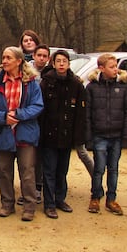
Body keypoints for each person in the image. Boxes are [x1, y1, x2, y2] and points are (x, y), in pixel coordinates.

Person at [0, 46, 43, 221]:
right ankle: (7, 204)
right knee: (4, 172)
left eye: (9, 58)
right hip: (3, 133)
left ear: (19, 61)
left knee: (27, 172)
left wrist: (18, 115)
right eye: (3, 57)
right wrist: (3, 117)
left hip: (25, 133)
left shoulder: (31, 83)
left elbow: (37, 106)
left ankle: (29, 207)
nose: (5, 61)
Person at [39, 50, 86, 219]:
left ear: (68, 63)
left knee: (62, 170)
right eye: (58, 61)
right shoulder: (46, 83)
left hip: (66, 135)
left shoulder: (76, 84)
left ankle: (60, 199)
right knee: (49, 171)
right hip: (49, 135)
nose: (61, 64)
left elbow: (80, 113)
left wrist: (78, 136)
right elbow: (40, 111)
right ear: (53, 63)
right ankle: (49, 204)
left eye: (64, 61)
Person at [85, 53, 127, 216]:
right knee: (99, 168)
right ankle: (95, 196)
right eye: (111, 67)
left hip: (117, 135)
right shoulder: (92, 87)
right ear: (101, 68)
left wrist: (126, 136)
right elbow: (87, 114)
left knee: (114, 168)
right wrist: (88, 137)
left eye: (116, 66)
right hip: (99, 135)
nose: (115, 70)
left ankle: (111, 199)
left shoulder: (123, 87)